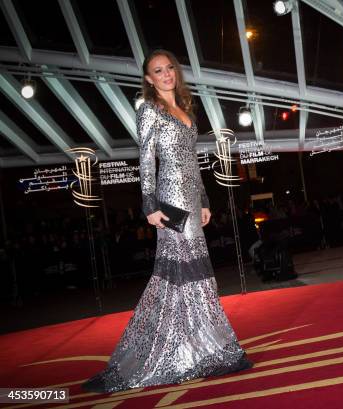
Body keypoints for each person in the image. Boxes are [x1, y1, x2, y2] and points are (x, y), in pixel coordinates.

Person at [82, 49, 252, 393]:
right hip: (170, 202)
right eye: (158, 71)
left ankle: (195, 347)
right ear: (149, 79)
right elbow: (146, 159)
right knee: (189, 274)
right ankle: (210, 349)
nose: (166, 74)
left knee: (186, 274)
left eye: (169, 68)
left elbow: (193, 160)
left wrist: (205, 200)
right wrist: (149, 205)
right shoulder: (149, 110)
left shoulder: (186, 109)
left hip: (191, 198)